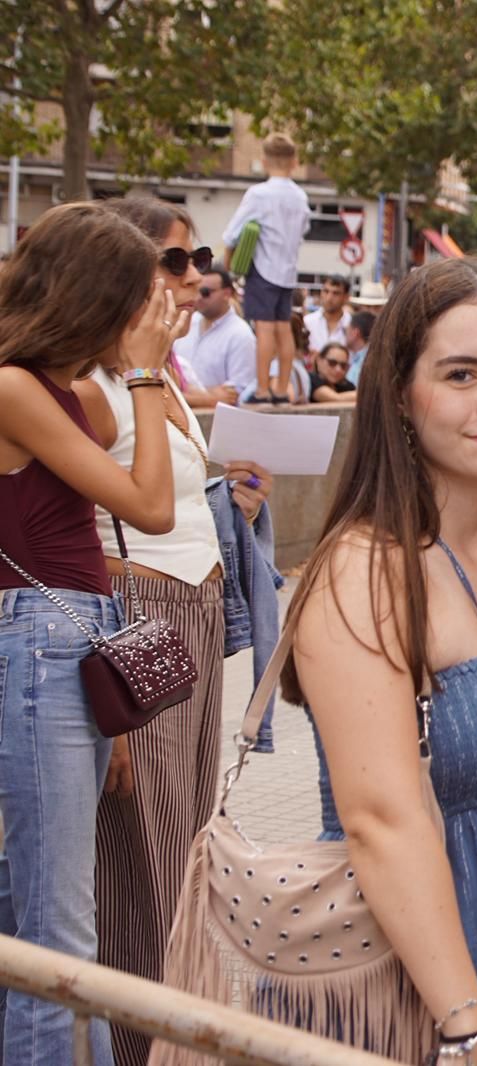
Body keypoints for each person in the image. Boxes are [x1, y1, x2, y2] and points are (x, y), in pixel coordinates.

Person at [284, 257, 477, 1065]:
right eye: (461, 374)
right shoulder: (366, 570)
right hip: (423, 988)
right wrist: (467, 1023)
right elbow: (380, 818)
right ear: (397, 393)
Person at [79, 196, 276, 1066]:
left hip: (187, 615)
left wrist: (231, 497)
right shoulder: (91, 383)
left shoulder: (154, 375)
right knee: (141, 858)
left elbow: (168, 494)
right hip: (138, 615)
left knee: (187, 839)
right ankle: (139, 1047)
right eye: (172, 261)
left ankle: (168, 1036)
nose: (191, 275)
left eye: (194, 258)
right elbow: (66, 526)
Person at [0, 202, 177, 1065]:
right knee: (58, 930)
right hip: (39, 640)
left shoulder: (64, 394)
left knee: (30, 912)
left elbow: (119, 440)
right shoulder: (12, 390)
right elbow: (149, 505)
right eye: (137, 301)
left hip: (67, 643)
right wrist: (145, 372)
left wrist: (136, 368)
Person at [223, 131, 310, 404]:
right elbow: (304, 229)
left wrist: (229, 264)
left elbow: (231, 234)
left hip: (262, 269)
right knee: (283, 328)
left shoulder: (258, 194)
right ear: (294, 162)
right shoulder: (300, 197)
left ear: (263, 161)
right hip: (287, 270)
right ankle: (282, 388)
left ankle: (262, 388)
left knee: (263, 330)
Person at [173, 266, 255, 409]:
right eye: (197, 290)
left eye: (206, 292)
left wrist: (188, 393)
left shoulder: (241, 334)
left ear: (227, 293)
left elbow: (234, 394)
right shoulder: (186, 323)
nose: (198, 297)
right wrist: (209, 395)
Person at [305, 275, 353, 355]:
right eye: (326, 291)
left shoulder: (351, 325)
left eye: (336, 293)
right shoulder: (307, 322)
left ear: (346, 297)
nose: (329, 298)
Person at [346, 309, 377, 384]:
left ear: (355, 333)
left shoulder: (366, 362)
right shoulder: (360, 358)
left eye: (346, 330)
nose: (345, 335)